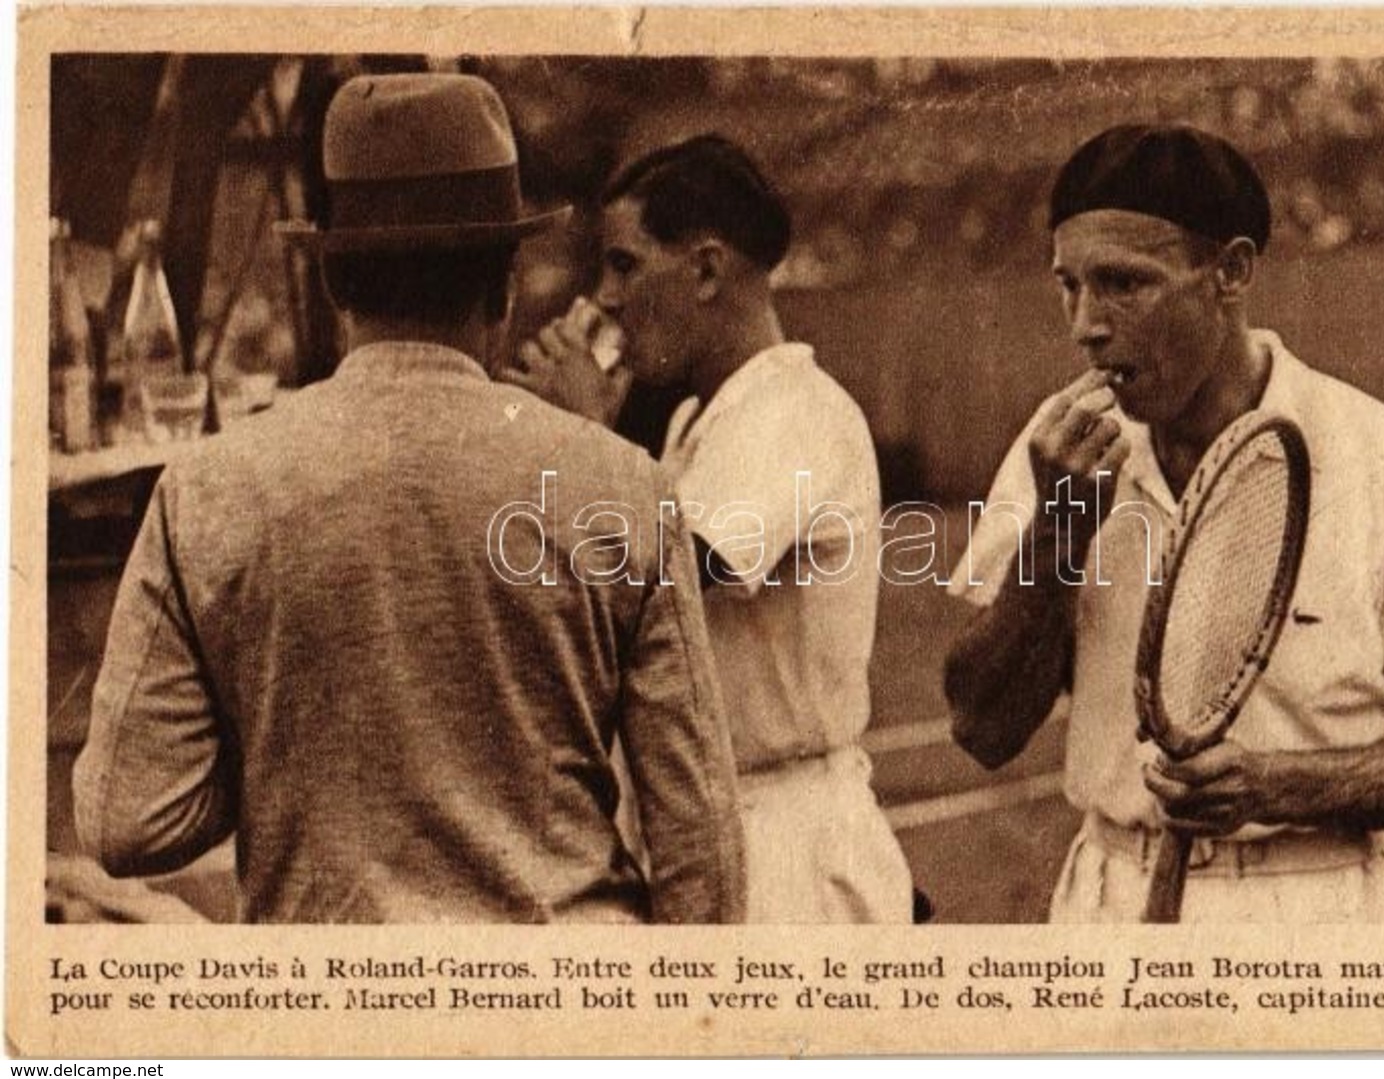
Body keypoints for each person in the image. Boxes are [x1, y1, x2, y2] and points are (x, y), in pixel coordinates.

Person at [73, 74, 745, 924]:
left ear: (332, 283)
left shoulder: (210, 489)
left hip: (336, 1021)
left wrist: (282, 739)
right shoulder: (623, 486)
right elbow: (702, 853)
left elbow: (126, 820)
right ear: (503, 284)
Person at [943, 123, 1384, 923]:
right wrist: (1055, 531)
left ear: (1229, 271)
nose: (1085, 323)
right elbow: (981, 726)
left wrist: (1278, 784)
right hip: (1108, 897)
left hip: (1313, 908)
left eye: (1124, 283)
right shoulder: (1062, 449)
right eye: (1068, 285)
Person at [503, 135, 914, 923]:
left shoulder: (796, 410)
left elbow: (669, 582)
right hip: (709, 823)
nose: (606, 297)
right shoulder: (700, 418)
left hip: (785, 842)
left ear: (704, 269)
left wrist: (582, 439)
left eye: (624, 265)